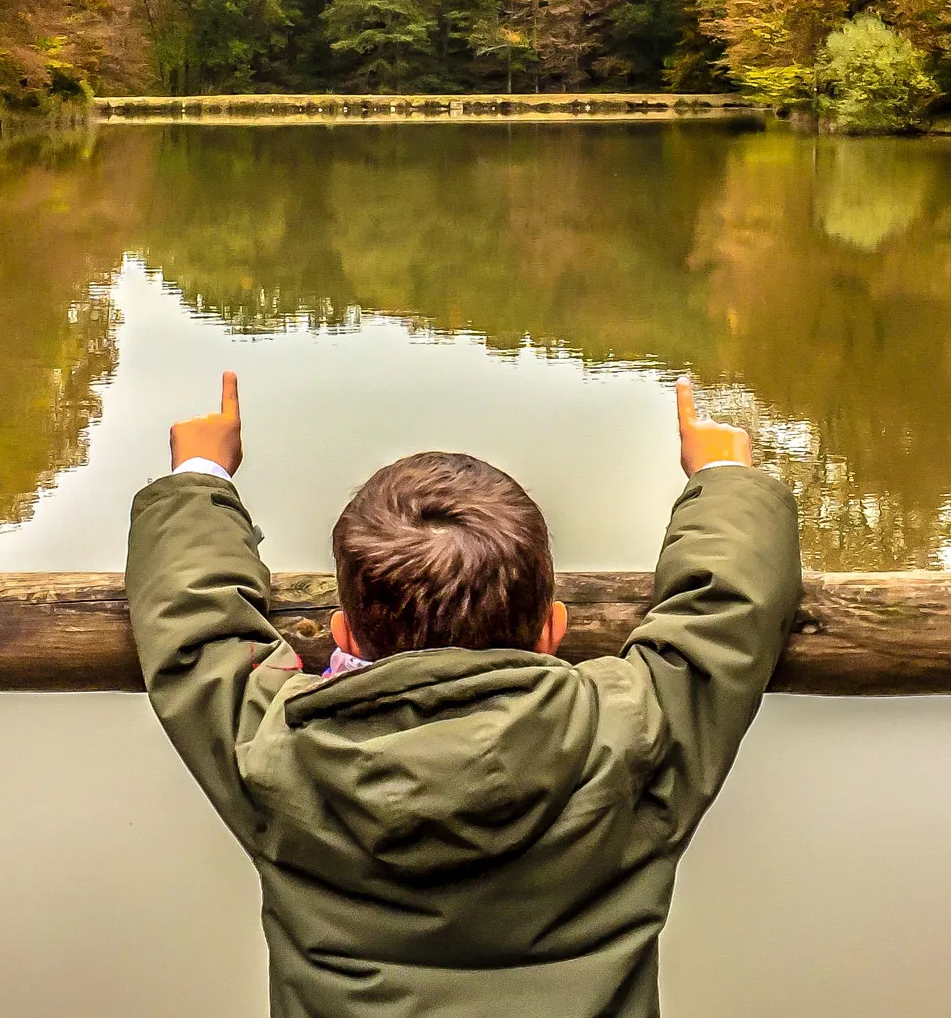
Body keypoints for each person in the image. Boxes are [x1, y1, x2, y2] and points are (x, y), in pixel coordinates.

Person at [125, 370, 802, 1018]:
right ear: (553, 631)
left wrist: (200, 476)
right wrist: (724, 477)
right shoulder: (633, 736)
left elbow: (198, 633)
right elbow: (726, 611)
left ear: (342, 638)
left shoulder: (278, 756)